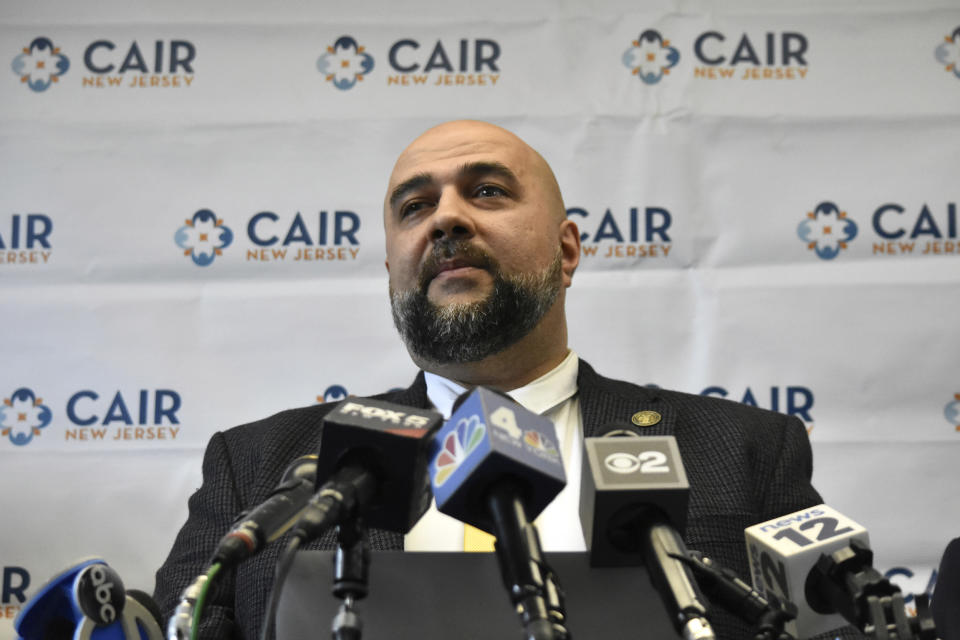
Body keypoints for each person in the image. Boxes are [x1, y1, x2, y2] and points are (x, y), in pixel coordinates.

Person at [153, 120, 856, 638]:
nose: (447, 219)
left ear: (568, 250)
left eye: (486, 192)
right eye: (414, 207)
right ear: (393, 268)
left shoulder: (744, 450)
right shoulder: (258, 469)